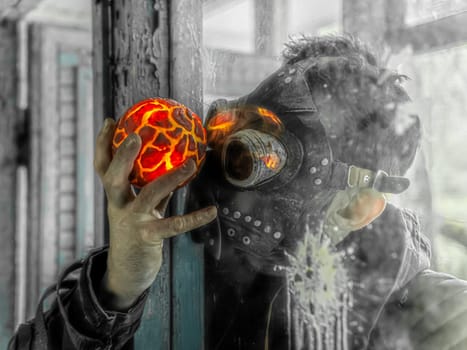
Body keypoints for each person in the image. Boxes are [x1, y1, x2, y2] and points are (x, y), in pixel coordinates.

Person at [8, 35, 467, 350]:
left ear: (358, 209)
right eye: (228, 127)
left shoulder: (430, 321)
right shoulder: (174, 251)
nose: (216, 163)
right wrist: (115, 289)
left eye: (251, 160)